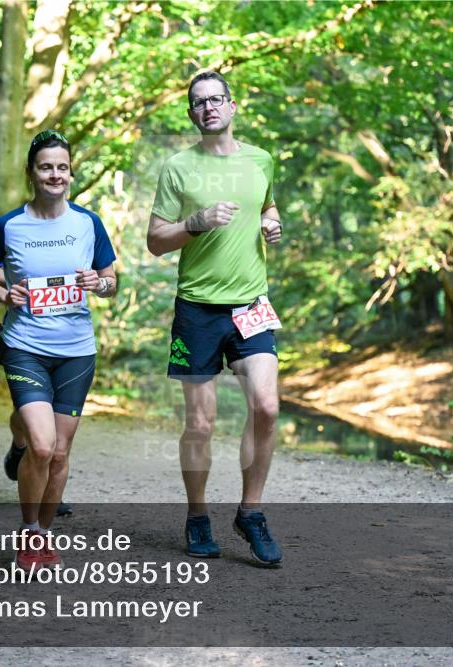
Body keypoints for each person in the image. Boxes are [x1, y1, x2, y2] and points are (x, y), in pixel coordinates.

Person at [146, 71, 284, 567]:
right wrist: (194, 223)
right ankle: (198, 514)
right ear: (191, 113)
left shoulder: (261, 159)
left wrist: (271, 223)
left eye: (216, 99)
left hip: (250, 304)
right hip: (198, 308)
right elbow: (156, 241)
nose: (208, 107)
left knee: (266, 406)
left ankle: (251, 513)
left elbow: (267, 206)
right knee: (201, 423)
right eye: (198, 102)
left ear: (232, 105)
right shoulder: (179, 168)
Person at [0, 129, 117, 570]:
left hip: (76, 351)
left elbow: (111, 282)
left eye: (62, 167)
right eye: (46, 167)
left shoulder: (88, 224)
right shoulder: (9, 226)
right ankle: (28, 528)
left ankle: (41, 536)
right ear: (31, 174)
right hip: (25, 345)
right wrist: (4, 296)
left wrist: (101, 283)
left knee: (58, 453)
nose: (55, 175)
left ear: (70, 173)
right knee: (40, 444)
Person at [0, 266, 73, 518]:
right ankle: (19, 445)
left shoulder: (78, 231)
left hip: (69, 342)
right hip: (24, 338)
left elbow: (102, 278)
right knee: (27, 412)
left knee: (59, 421)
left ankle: (52, 491)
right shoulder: (17, 229)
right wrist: (22, 284)